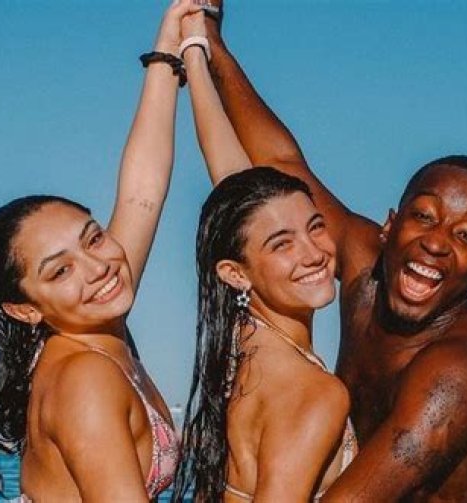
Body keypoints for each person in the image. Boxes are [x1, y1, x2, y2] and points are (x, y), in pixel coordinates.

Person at [195, 3, 467, 501]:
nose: (436, 242)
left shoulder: (458, 373)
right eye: (424, 216)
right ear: (389, 226)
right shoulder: (367, 264)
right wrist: (212, 48)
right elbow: (280, 160)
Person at [0, 1, 202, 500]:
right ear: (24, 309)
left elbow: (142, 193)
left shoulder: (97, 324)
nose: (97, 267)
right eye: (59, 271)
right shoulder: (85, 377)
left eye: (94, 237)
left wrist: (169, 50)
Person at [172, 10, 357, 502]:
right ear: (235, 273)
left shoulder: (243, 342)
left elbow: (234, 189)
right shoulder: (314, 393)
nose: (313, 253)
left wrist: (195, 54)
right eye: (282, 244)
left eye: (315, 226)